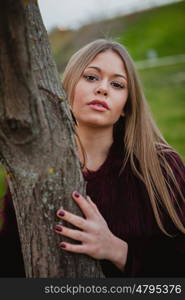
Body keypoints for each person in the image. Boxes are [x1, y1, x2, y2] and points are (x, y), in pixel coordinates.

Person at [0, 39, 185, 277]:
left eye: (117, 84)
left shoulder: (161, 167)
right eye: (91, 77)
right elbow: (11, 264)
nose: (103, 88)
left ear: (127, 106)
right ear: (66, 88)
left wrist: (117, 250)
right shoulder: (32, 168)